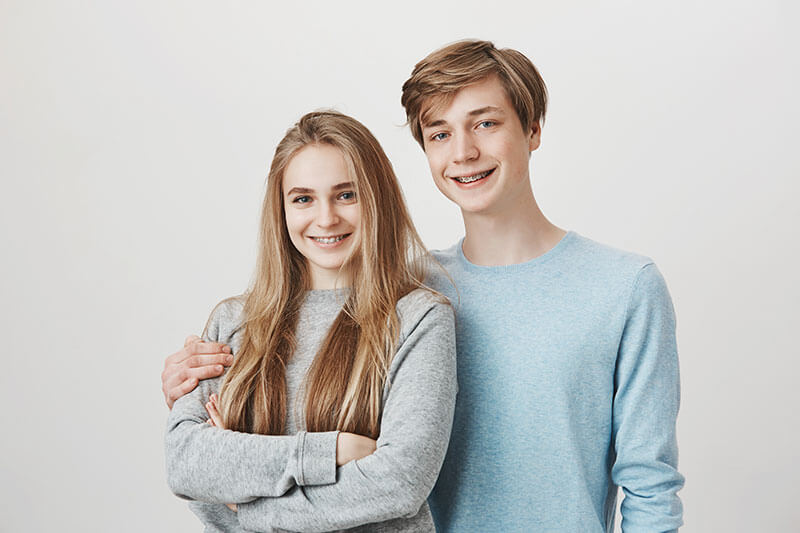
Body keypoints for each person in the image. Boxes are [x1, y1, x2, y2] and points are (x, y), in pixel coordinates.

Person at [163, 40, 684, 532]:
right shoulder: (405, 292)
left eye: (485, 123)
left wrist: (247, 509)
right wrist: (198, 379)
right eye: (439, 134)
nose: (463, 152)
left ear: (533, 129)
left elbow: (649, 485)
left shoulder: (623, 287)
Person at [164, 110, 457, 532]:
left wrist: (245, 500)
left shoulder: (418, 317)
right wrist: (330, 451)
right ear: (281, 210)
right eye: (303, 198)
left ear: (377, 199)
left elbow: (400, 482)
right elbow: (186, 462)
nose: (325, 219)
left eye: (346, 195)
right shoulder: (234, 322)